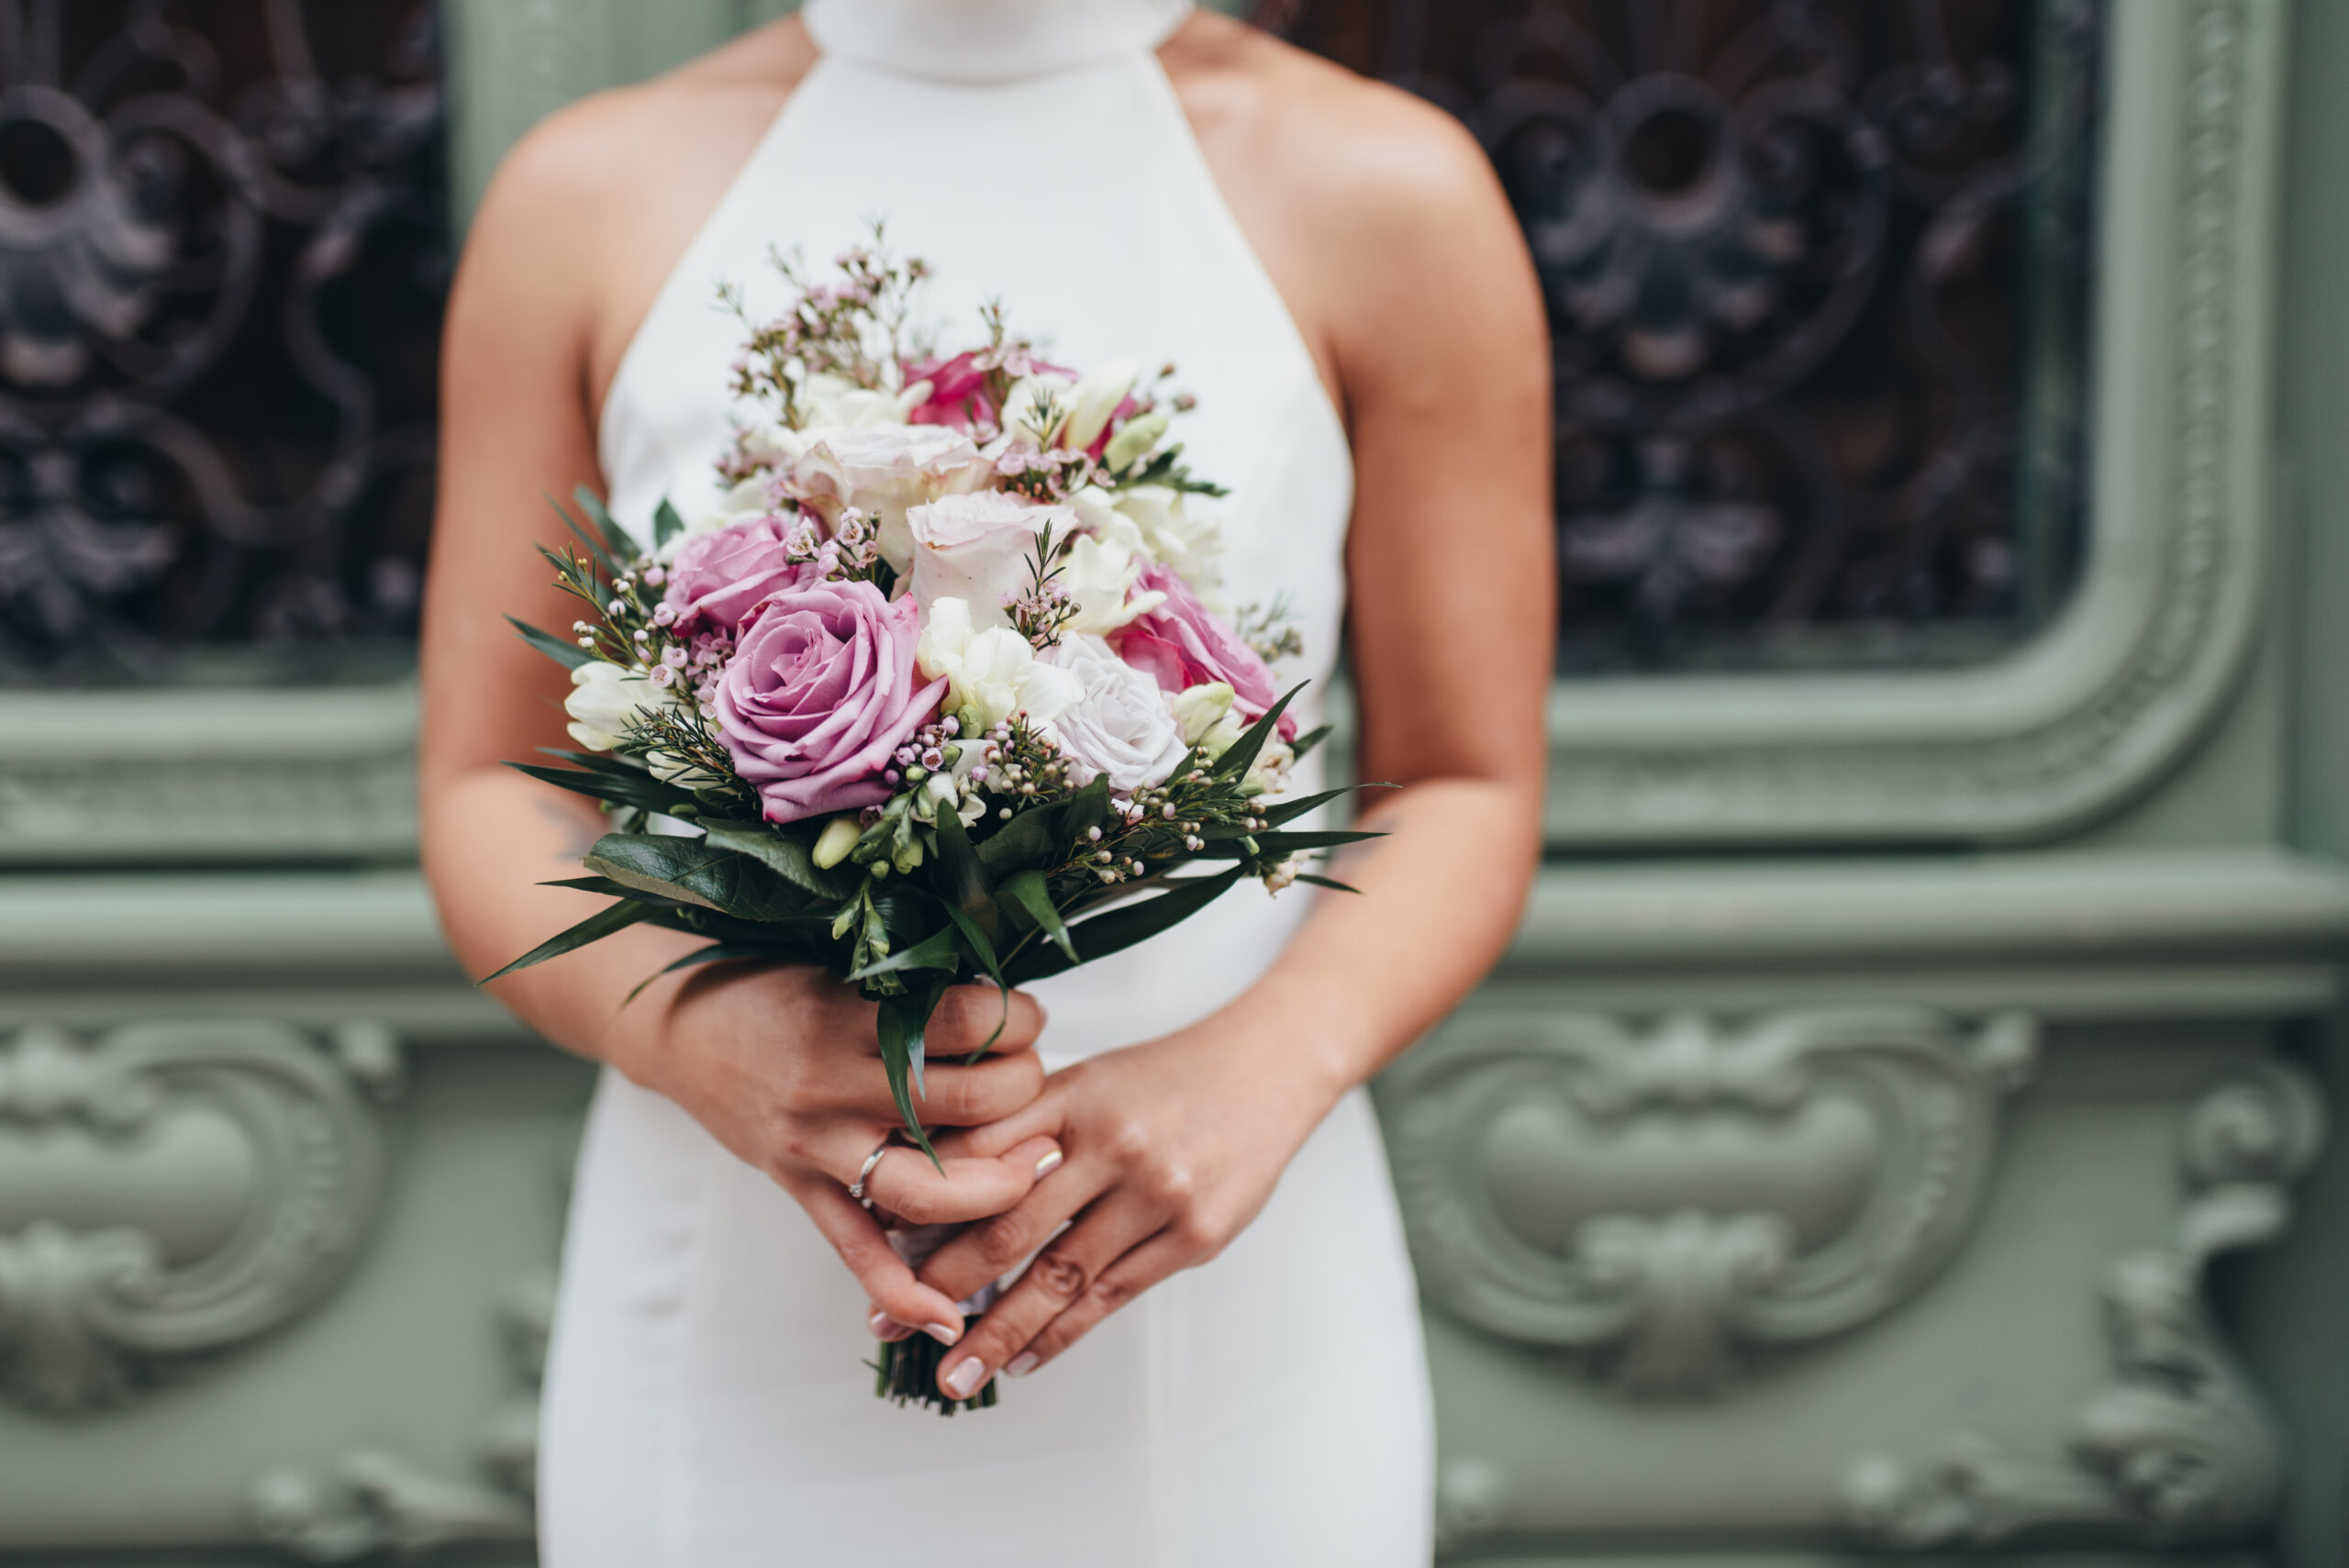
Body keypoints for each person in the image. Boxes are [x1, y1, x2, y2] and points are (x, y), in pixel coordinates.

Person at [417, 0, 1549, 1561]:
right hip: (730, 1311)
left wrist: (1265, 1061)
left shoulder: (1386, 190)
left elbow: (1468, 783)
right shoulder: (592, 191)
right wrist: (698, 1033)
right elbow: (488, 783)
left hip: (1220, 1332)